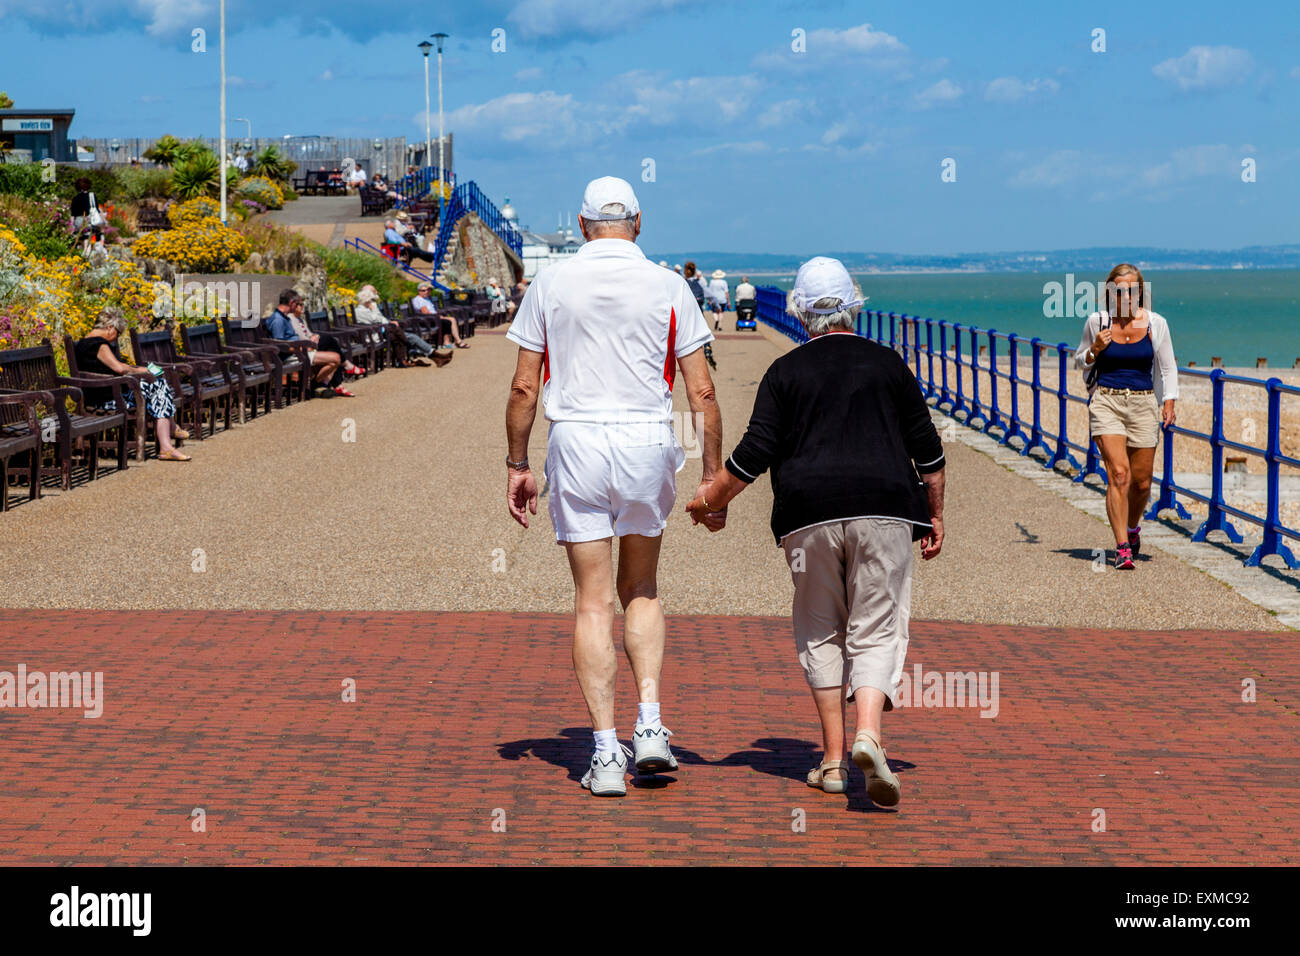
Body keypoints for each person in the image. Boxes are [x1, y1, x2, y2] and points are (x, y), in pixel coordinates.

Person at [686, 256, 946, 805]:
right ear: (854, 304)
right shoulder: (889, 363)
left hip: (808, 515)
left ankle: (831, 762)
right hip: (887, 509)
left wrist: (712, 499)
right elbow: (929, 453)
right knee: (876, 628)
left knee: (821, 628)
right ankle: (869, 733)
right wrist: (935, 514)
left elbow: (756, 452)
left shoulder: (785, 372)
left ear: (801, 313)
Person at [505, 176, 721, 798]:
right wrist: (710, 478)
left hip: (577, 438)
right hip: (647, 438)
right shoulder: (669, 285)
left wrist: (518, 463)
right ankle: (649, 726)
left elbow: (525, 387)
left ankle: (605, 755)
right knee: (643, 587)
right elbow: (700, 391)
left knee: (592, 600)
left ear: (580, 225)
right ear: (638, 222)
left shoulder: (549, 285)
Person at [1075, 263, 1178, 570]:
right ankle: (1122, 547)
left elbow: (1169, 367)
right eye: (1119, 290)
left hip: (1144, 403)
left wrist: (1169, 402)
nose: (1126, 295)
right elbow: (1080, 360)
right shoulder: (1098, 322)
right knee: (1119, 474)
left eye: (1132, 289)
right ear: (1110, 292)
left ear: (1140, 292)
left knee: (1142, 483)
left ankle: (1132, 528)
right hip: (1107, 401)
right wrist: (1095, 348)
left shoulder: (1156, 324)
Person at [74, 308, 192, 461]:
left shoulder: (83, 343)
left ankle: (169, 438)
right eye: (118, 332)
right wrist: (140, 370)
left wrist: (138, 371)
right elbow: (119, 368)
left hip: (102, 396)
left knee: (157, 385)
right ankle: (168, 440)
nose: (117, 338)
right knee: (157, 385)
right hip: (108, 401)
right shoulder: (98, 345)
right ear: (110, 327)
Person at [265, 289, 355, 397]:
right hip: (292, 356)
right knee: (335, 358)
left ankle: (315, 386)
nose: (299, 306)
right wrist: (301, 348)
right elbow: (280, 346)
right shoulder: (278, 320)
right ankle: (315, 386)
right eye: (298, 303)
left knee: (333, 357)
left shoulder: (284, 317)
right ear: (291, 303)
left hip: (299, 351)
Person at [354, 285, 449, 367]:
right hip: (375, 335)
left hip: (383, 331)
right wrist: (377, 312)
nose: (373, 300)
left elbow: (381, 320)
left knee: (405, 335)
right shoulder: (361, 310)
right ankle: (434, 355)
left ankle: (435, 357)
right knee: (410, 337)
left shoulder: (368, 308)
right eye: (372, 298)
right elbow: (378, 320)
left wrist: (388, 322)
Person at [411, 282, 467, 349]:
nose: (426, 292)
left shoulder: (426, 299)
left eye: (428, 290)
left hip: (433, 317)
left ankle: (455, 341)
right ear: (418, 291)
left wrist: (439, 315)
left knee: (452, 319)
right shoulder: (419, 300)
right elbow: (426, 312)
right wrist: (437, 316)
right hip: (427, 320)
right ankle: (450, 342)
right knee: (447, 321)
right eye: (423, 290)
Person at [70, 178, 104, 248]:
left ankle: (83, 251)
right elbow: (97, 210)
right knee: (89, 238)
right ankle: (87, 252)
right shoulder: (92, 196)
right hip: (89, 220)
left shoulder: (75, 198)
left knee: (82, 238)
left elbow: (73, 214)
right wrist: (102, 221)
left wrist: (71, 227)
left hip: (78, 222)